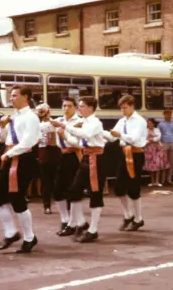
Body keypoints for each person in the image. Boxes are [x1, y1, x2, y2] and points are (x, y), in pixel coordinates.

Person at [52, 97, 107, 243]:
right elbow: (79, 142)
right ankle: (81, 223)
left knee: (95, 193)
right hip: (86, 157)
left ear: (91, 107)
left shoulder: (95, 122)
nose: (79, 108)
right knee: (73, 191)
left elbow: (86, 135)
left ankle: (93, 230)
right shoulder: (85, 122)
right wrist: (65, 136)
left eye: (82, 106)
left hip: (96, 158)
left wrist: (65, 127)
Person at [0, 86, 39, 253]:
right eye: (10, 96)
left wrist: (8, 154)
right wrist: (2, 127)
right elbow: (3, 139)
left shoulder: (31, 117)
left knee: (17, 198)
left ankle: (29, 237)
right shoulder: (13, 117)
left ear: (25, 97)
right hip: (12, 157)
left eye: (14, 95)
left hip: (24, 159)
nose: (11, 98)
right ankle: (11, 232)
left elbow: (28, 142)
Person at [105, 95, 147, 231]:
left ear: (132, 106)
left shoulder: (140, 121)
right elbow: (112, 137)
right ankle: (128, 215)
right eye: (121, 108)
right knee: (119, 188)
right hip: (124, 153)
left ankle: (138, 218)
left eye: (125, 108)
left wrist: (119, 135)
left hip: (135, 154)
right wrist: (99, 133)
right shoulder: (122, 121)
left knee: (133, 188)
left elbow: (134, 139)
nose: (123, 110)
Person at [50, 97, 81, 236]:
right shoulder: (59, 120)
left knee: (72, 191)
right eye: (64, 106)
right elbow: (44, 128)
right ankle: (65, 219)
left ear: (75, 107)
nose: (66, 108)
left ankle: (73, 223)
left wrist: (63, 135)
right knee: (57, 190)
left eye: (69, 106)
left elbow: (78, 143)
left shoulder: (79, 122)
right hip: (61, 155)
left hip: (74, 156)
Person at [35, 103, 61, 215]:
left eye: (45, 111)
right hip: (43, 152)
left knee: (57, 179)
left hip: (55, 151)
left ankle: (61, 204)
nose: (44, 114)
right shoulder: (36, 125)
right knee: (46, 180)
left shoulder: (55, 122)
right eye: (41, 112)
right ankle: (47, 205)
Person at [143, 118, 169, 187]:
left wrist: (151, 139)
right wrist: (149, 141)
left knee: (157, 165)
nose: (149, 124)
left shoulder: (157, 130)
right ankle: (152, 182)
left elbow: (158, 138)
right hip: (148, 149)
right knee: (150, 166)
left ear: (153, 124)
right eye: (148, 123)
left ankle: (157, 181)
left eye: (151, 123)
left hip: (157, 149)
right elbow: (143, 139)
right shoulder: (145, 131)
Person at [157, 109, 173, 185]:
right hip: (164, 143)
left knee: (171, 163)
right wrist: (160, 144)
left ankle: (169, 179)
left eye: (169, 114)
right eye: (166, 114)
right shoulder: (160, 124)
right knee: (163, 163)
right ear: (164, 115)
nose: (168, 115)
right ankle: (162, 180)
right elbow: (158, 135)